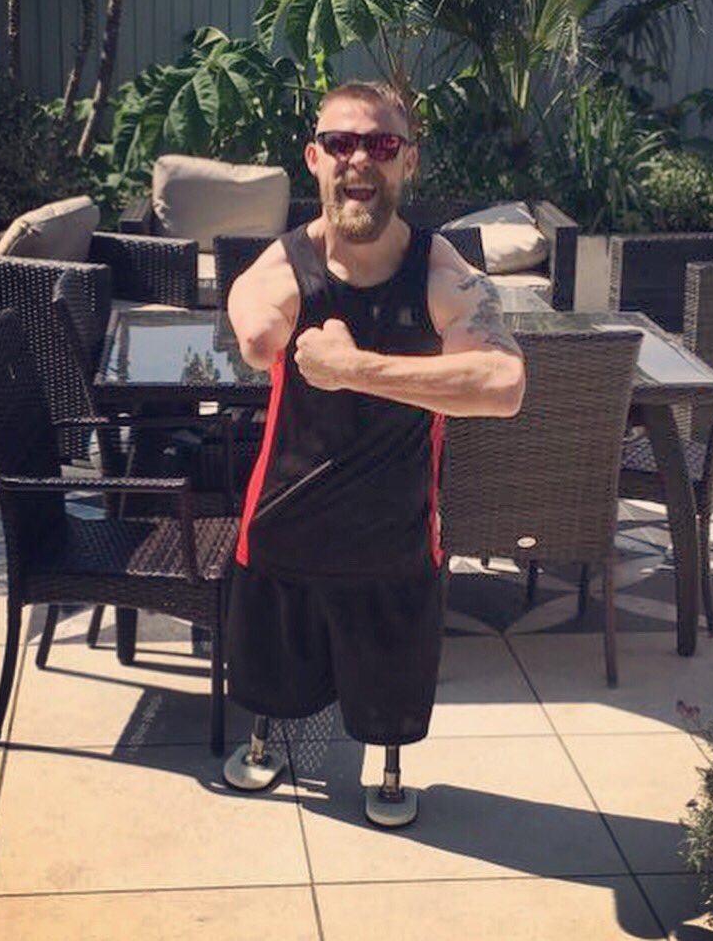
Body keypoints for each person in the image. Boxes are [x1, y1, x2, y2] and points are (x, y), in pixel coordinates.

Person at [221, 80, 526, 827]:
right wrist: (262, 327)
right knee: (271, 681)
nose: (359, 158)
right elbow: (254, 321)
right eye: (341, 143)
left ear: (407, 161)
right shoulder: (286, 264)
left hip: (395, 537)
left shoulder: (441, 273)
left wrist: (354, 369)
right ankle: (262, 742)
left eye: (381, 144)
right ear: (314, 158)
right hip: (284, 527)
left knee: (388, 698)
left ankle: (388, 773)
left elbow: (503, 384)